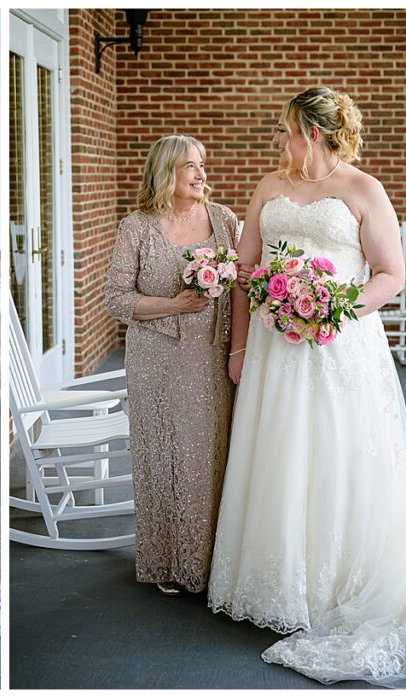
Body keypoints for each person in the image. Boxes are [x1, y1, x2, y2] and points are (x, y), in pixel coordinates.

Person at [207, 86, 406, 687]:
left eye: (287, 128)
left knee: (339, 456)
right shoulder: (269, 187)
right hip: (273, 350)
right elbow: (244, 273)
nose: (279, 139)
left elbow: (390, 274)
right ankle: (281, 583)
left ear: (312, 132)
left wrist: (336, 310)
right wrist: (239, 346)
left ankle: (341, 581)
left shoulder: (363, 189)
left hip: (339, 346)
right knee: (280, 456)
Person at [104, 135, 239, 596]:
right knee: (162, 458)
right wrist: (174, 304)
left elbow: (240, 288)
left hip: (211, 355)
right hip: (155, 359)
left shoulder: (224, 220)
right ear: (166, 173)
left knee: (209, 456)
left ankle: (209, 561)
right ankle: (166, 562)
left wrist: (239, 349)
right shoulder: (137, 227)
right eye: (189, 167)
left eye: (202, 164)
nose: (201, 174)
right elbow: (116, 299)